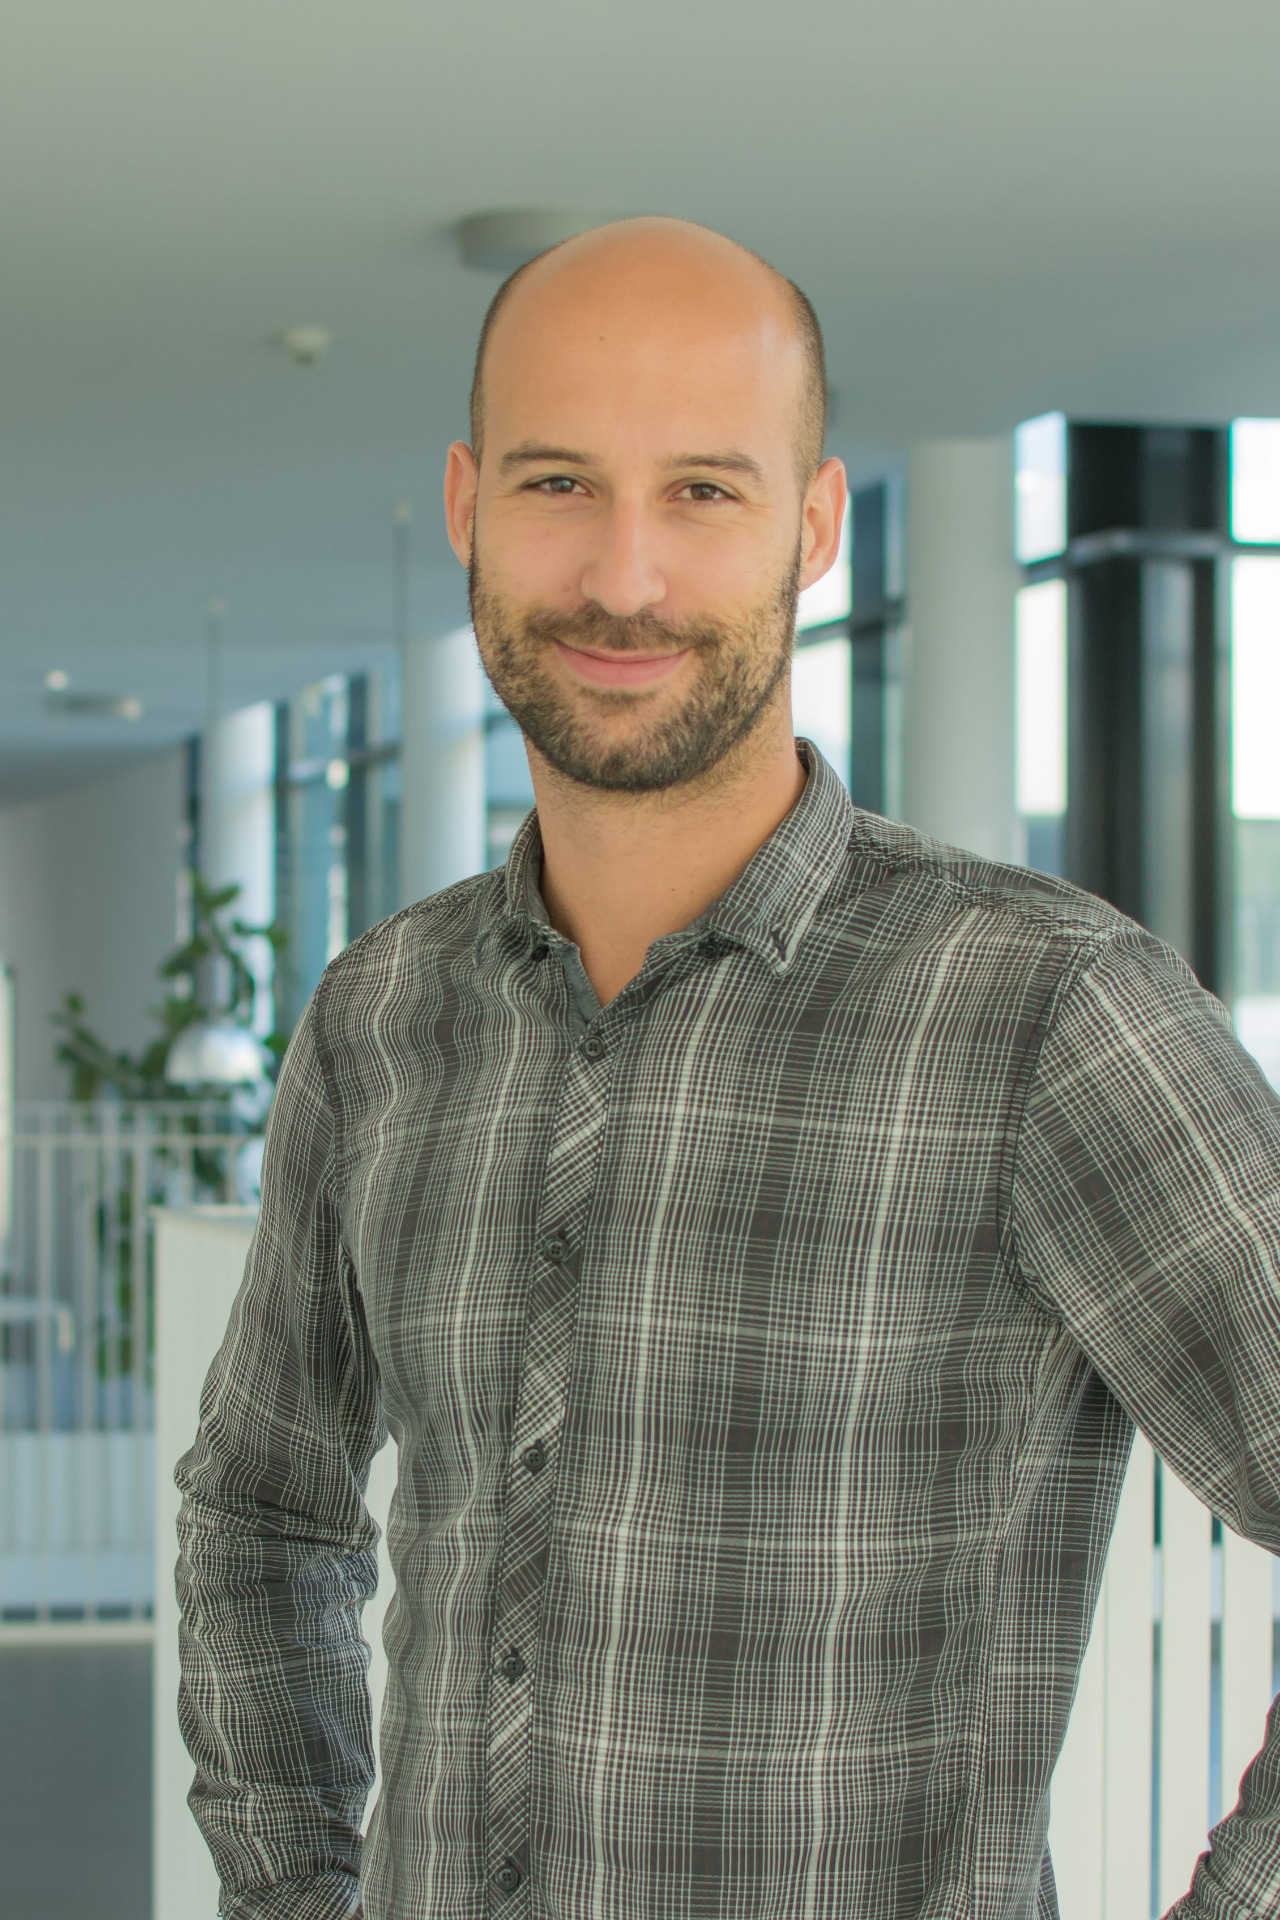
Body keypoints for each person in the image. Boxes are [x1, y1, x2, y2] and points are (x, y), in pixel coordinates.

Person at [176, 217, 1280, 1920]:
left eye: (703, 490)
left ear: (815, 525)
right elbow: (264, 1511)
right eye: (559, 484)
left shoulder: (1049, 1010)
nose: (625, 577)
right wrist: (287, 1897)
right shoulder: (379, 1017)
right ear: (467, 506)